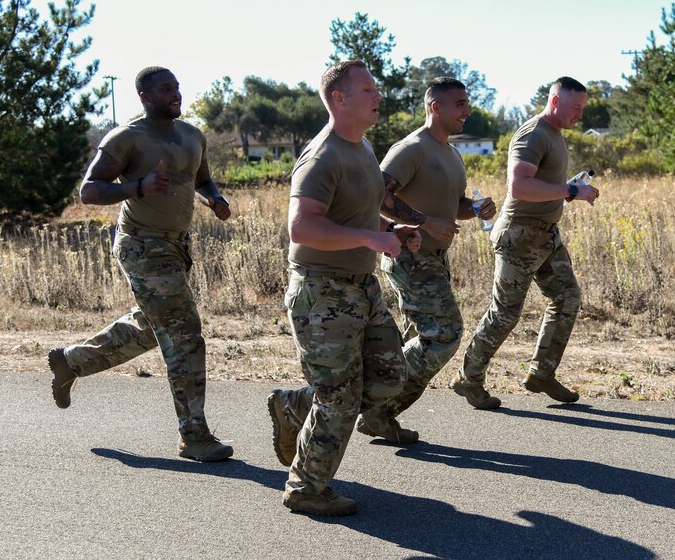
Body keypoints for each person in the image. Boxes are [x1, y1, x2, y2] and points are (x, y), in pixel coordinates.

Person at [46, 66, 235, 462]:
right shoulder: (127, 137)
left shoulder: (192, 135)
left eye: (178, 87)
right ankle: (194, 435)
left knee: (154, 328)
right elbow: (90, 190)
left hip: (177, 246)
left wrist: (214, 200)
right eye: (167, 89)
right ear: (146, 97)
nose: (176, 94)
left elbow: (201, 180)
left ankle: (72, 361)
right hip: (142, 245)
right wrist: (137, 187)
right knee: (184, 334)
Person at [266, 60, 421, 517]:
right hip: (322, 293)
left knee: (389, 377)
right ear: (339, 99)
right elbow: (302, 227)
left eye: (376, 88)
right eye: (368, 89)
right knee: (340, 397)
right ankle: (306, 488)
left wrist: (392, 228)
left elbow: (354, 216)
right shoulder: (322, 157)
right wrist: (372, 239)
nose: (378, 95)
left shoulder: (363, 148)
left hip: (361, 286)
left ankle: (295, 405)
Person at [356, 77, 496, 443]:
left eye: (467, 103)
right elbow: (378, 196)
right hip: (409, 256)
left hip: (435, 259)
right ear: (436, 108)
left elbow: (453, 207)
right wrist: (423, 222)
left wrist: (476, 208)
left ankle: (380, 411)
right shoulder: (411, 148)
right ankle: (371, 404)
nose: (467, 110)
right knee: (444, 335)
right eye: (460, 104)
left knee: (422, 337)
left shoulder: (450, 152)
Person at [451, 76, 599, 409]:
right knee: (505, 313)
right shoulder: (532, 133)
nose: (580, 115)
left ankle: (541, 373)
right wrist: (571, 190)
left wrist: (566, 191)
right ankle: (468, 378)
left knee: (567, 297)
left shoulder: (555, 135)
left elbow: (543, 187)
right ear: (555, 101)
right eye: (575, 108)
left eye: (583, 108)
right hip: (519, 235)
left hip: (546, 234)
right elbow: (519, 186)